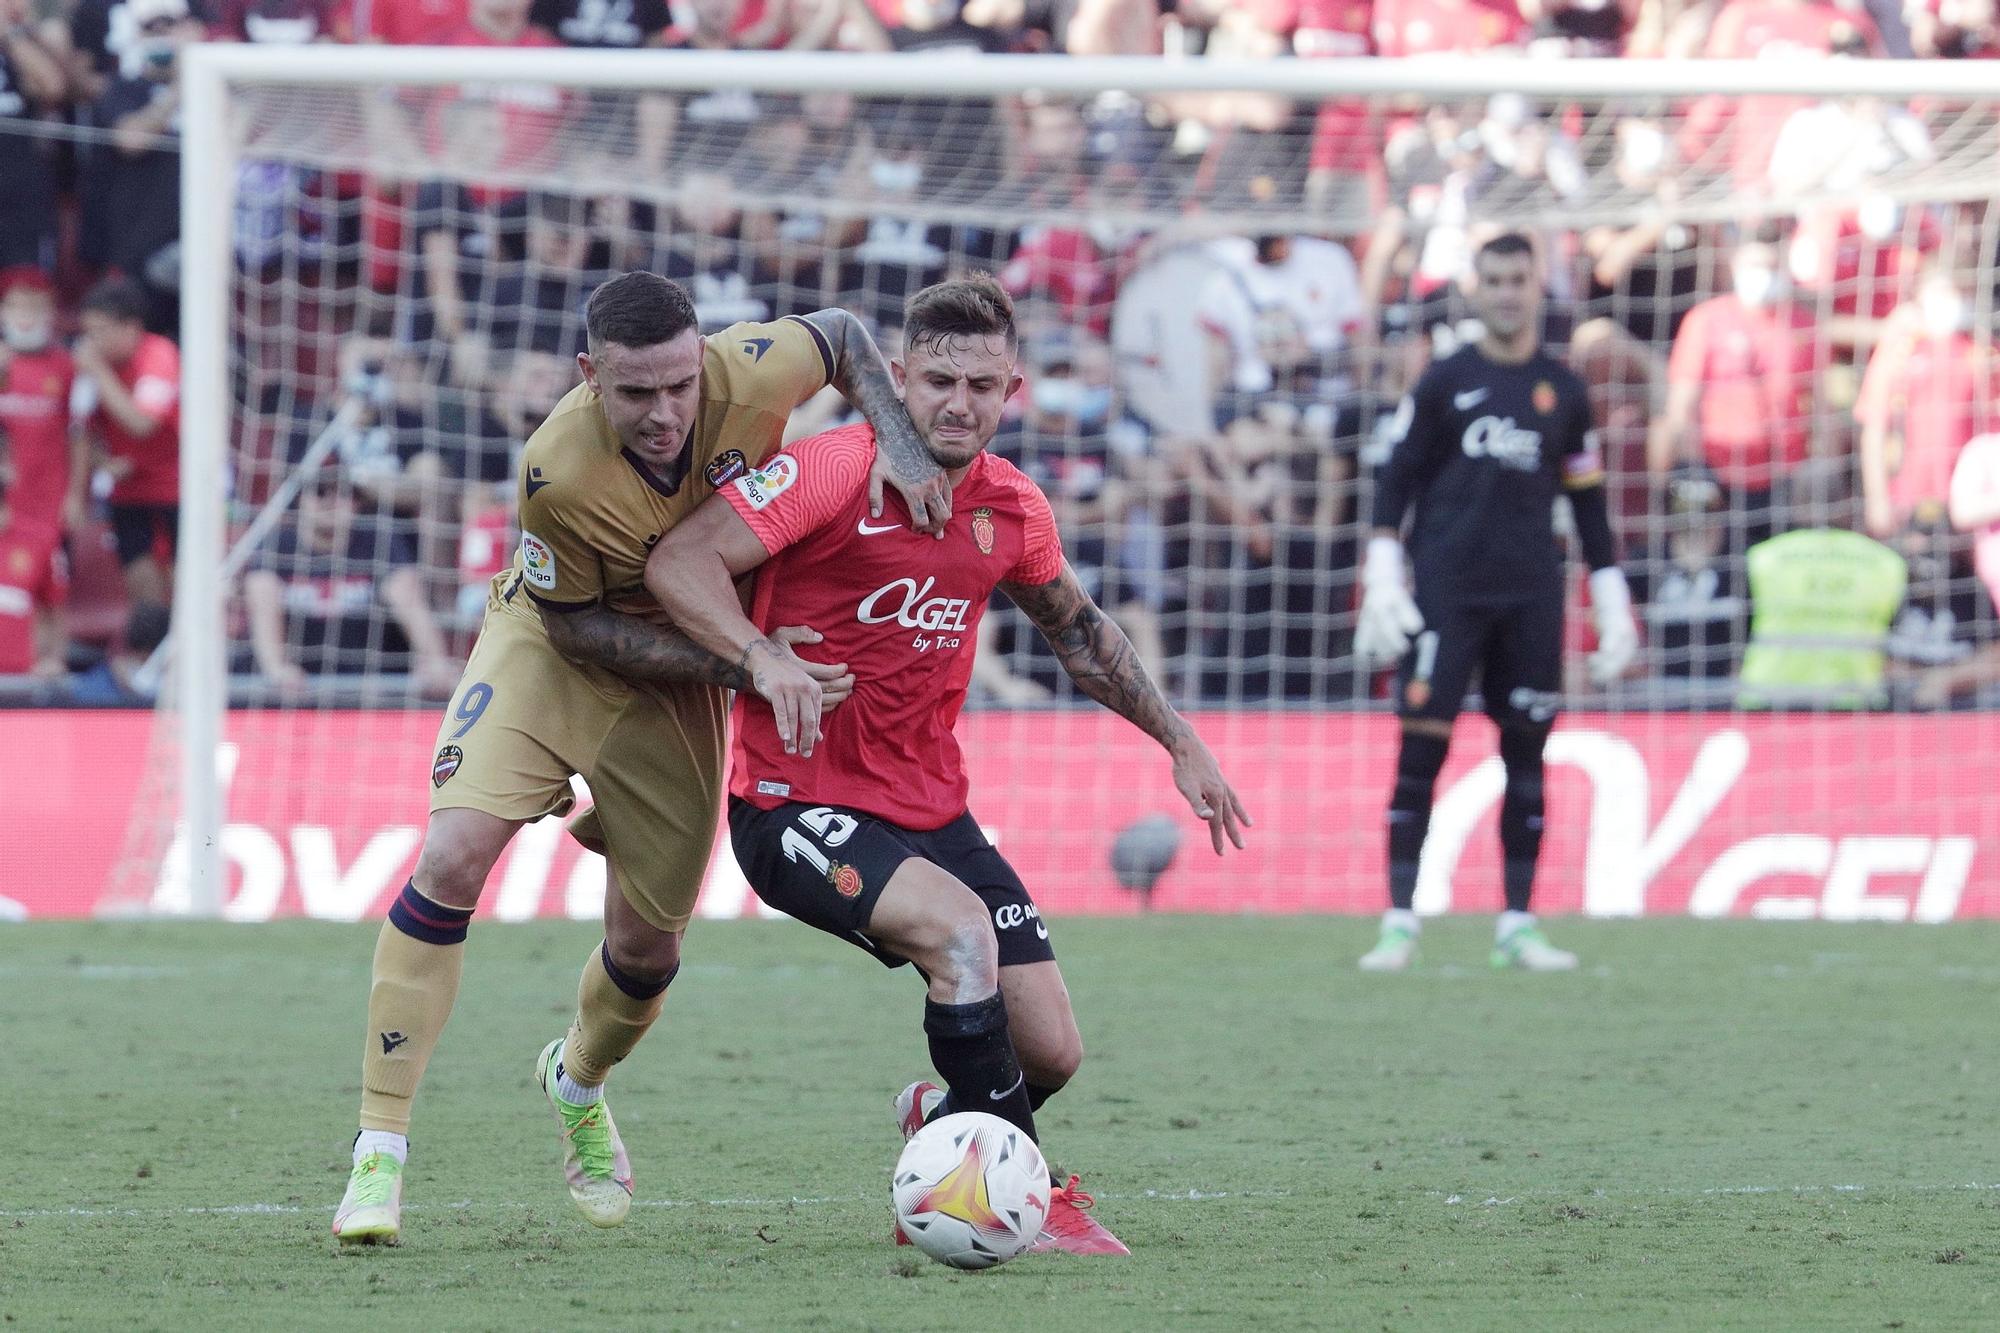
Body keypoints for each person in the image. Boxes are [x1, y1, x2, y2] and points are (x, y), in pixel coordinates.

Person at [331, 271, 952, 1246]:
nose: (663, 414)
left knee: (645, 950)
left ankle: (576, 1081)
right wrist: (748, 661)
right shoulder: (556, 471)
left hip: (690, 680)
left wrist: (903, 444)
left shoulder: (751, 369)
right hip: (554, 648)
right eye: (634, 394)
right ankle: (379, 1150)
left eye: (678, 387)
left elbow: (839, 332)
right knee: (451, 857)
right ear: (589, 376)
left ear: (701, 357)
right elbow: (577, 630)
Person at [649, 274, 1251, 1256]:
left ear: (1011, 389)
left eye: (980, 385)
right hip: (789, 801)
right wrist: (757, 658)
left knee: (1051, 1046)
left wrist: (1178, 739)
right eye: (936, 381)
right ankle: (1023, 1189)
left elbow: (1082, 636)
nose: (957, 403)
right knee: (962, 937)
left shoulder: (1011, 509)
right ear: (897, 377)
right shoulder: (827, 472)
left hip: (932, 810)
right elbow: (679, 562)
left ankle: (948, 1116)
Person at [1353, 233, 1638, 973]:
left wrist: (1611, 600)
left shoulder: (1563, 391)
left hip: (1532, 601)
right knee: (1421, 753)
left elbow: (1588, 503)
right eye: (1496, 280)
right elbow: (1395, 479)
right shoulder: (1446, 380)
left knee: (1528, 758)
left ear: (1538, 285)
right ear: (1476, 290)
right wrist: (1385, 572)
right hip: (1446, 599)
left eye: (1520, 278)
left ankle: (1517, 922)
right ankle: (1399, 921)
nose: (1508, 292)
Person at [74, 277, 181, 678]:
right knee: (142, 588)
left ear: (131, 327)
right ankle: (154, 667)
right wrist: (103, 462)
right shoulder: (92, 367)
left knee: (184, 586)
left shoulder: (159, 356)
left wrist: (97, 372)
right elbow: (80, 428)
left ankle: (188, 666)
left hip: (179, 487)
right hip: (128, 492)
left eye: (100, 331)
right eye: (87, 332)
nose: (91, 341)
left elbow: (141, 424)